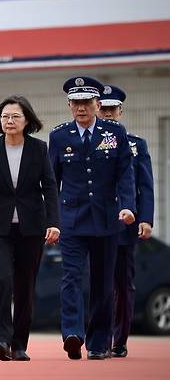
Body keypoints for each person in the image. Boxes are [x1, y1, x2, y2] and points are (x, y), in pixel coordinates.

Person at [49, 76, 136, 360]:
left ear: (97, 104)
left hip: (107, 218)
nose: (81, 108)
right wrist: (51, 218)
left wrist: (127, 206)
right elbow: (52, 181)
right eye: (75, 103)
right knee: (71, 277)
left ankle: (99, 342)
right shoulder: (59, 135)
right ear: (69, 105)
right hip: (71, 218)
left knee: (102, 282)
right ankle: (73, 333)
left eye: (86, 102)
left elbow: (125, 172)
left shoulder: (114, 132)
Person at [0, 95, 60, 361]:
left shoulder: (38, 149)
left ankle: (19, 343)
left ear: (27, 120)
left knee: (25, 286)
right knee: (3, 278)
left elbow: (50, 187)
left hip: (31, 227)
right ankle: (0, 340)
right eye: (5, 117)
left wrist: (54, 222)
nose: (9, 121)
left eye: (15, 116)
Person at [97, 85, 154, 358]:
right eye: (103, 108)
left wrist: (145, 218)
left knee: (123, 283)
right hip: (94, 223)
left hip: (124, 225)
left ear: (120, 111)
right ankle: (99, 338)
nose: (108, 113)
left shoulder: (135, 144)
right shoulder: (87, 140)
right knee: (99, 283)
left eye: (112, 109)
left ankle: (119, 339)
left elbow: (145, 184)